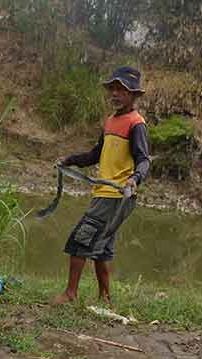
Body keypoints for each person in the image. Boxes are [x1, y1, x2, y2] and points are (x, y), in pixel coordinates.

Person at [52, 66, 150, 305]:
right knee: (102, 250)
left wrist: (135, 179)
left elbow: (144, 159)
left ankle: (70, 294)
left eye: (122, 90)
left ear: (133, 95)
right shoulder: (110, 122)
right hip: (103, 193)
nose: (115, 94)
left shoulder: (136, 124)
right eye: (113, 89)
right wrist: (71, 160)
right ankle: (105, 298)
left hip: (117, 195)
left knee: (80, 240)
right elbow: (96, 154)